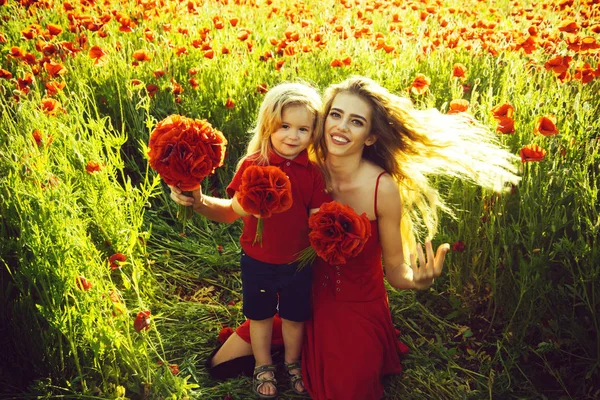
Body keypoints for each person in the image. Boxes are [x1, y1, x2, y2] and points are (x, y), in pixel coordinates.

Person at [172, 76, 520, 399]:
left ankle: (309, 352)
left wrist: (417, 280)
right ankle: (283, 351)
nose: (341, 126)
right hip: (301, 290)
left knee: (342, 389)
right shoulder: (304, 164)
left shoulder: (382, 188)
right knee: (221, 363)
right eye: (336, 115)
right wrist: (198, 201)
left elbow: (396, 271)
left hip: (355, 306)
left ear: (370, 136)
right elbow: (237, 209)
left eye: (356, 121)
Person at [170, 82, 331, 398]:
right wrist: (227, 202)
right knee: (258, 315)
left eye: (303, 129)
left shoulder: (312, 172)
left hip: (298, 260)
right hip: (258, 260)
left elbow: (316, 216)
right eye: (284, 126)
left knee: (294, 316)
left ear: (314, 133)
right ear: (269, 123)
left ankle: (292, 363)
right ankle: (262, 365)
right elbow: (233, 209)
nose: (292, 136)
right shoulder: (252, 164)